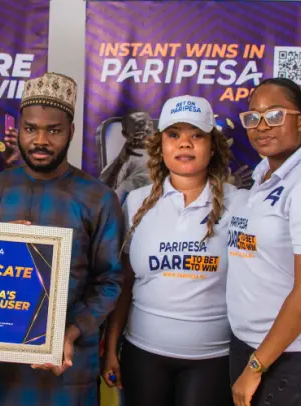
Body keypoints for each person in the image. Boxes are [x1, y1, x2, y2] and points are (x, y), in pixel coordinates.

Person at [0, 72, 125, 406]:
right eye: (31, 129)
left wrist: (69, 333)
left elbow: (109, 281)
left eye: (53, 130)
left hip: (71, 364)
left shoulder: (98, 198)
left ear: (71, 131)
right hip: (6, 364)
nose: (40, 140)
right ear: (18, 130)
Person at [102, 95, 245, 406]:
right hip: (143, 356)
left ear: (212, 146)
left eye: (197, 135)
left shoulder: (239, 203)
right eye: (174, 134)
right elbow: (125, 281)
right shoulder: (136, 202)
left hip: (213, 360)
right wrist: (111, 347)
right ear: (160, 145)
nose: (185, 143)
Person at [227, 77, 301, 406]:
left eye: (275, 115)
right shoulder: (262, 176)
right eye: (253, 117)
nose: (262, 125)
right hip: (251, 346)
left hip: (289, 357)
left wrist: (256, 366)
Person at [99, 111, 154, 203]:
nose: (147, 129)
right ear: (125, 134)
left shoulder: (167, 152)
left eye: (150, 124)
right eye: (140, 125)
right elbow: (102, 191)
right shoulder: (126, 158)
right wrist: (120, 161)